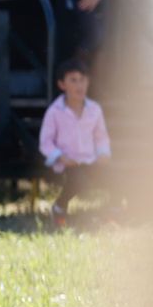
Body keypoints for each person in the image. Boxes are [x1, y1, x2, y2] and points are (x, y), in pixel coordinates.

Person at [39, 58, 111, 227]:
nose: (79, 85)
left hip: (91, 161)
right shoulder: (55, 111)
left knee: (116, 176)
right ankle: (59, 208)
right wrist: (61, 157)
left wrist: (103, 154)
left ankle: (111, 216)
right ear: (62, 84)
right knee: (78, 180)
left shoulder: (95, 109)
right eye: (73, 80)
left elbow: (101, 137)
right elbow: (45, 142)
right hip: (67, 164)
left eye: (82, 80)